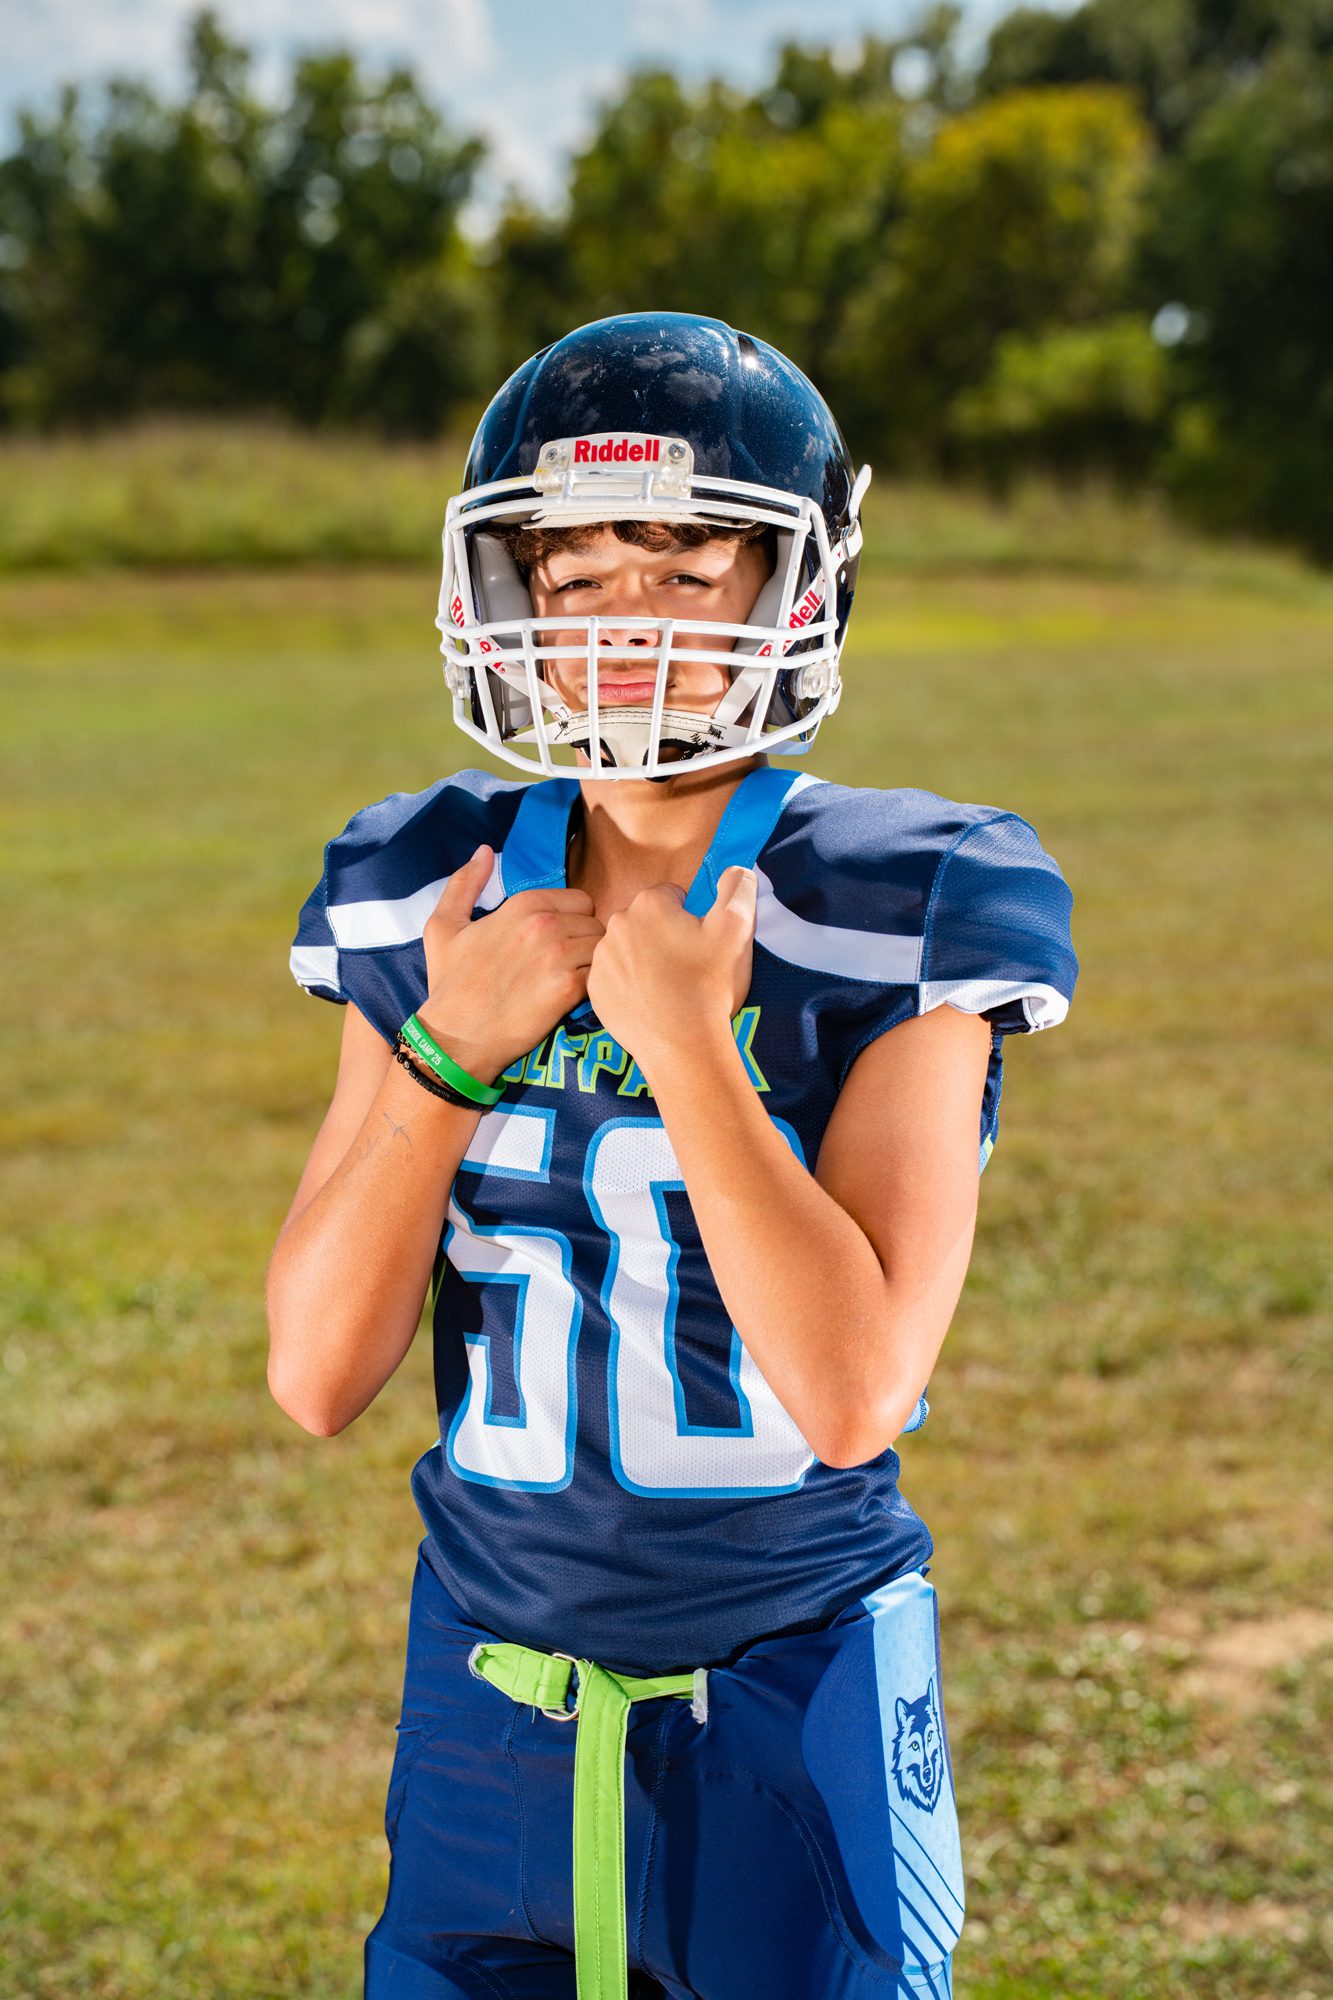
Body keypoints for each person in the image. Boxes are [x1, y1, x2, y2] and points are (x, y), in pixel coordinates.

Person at [267, 312, 1076, 2000]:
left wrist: (694, 1049)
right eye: (574, 575)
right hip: (483, 1700)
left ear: (795, 588)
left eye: (684, 569)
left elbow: (852, 1392)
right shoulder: (428, 889)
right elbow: (317, 1373)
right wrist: (448, 1047)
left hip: (786, 1705)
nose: (621, 622)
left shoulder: (898, 895)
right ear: (507, 594)